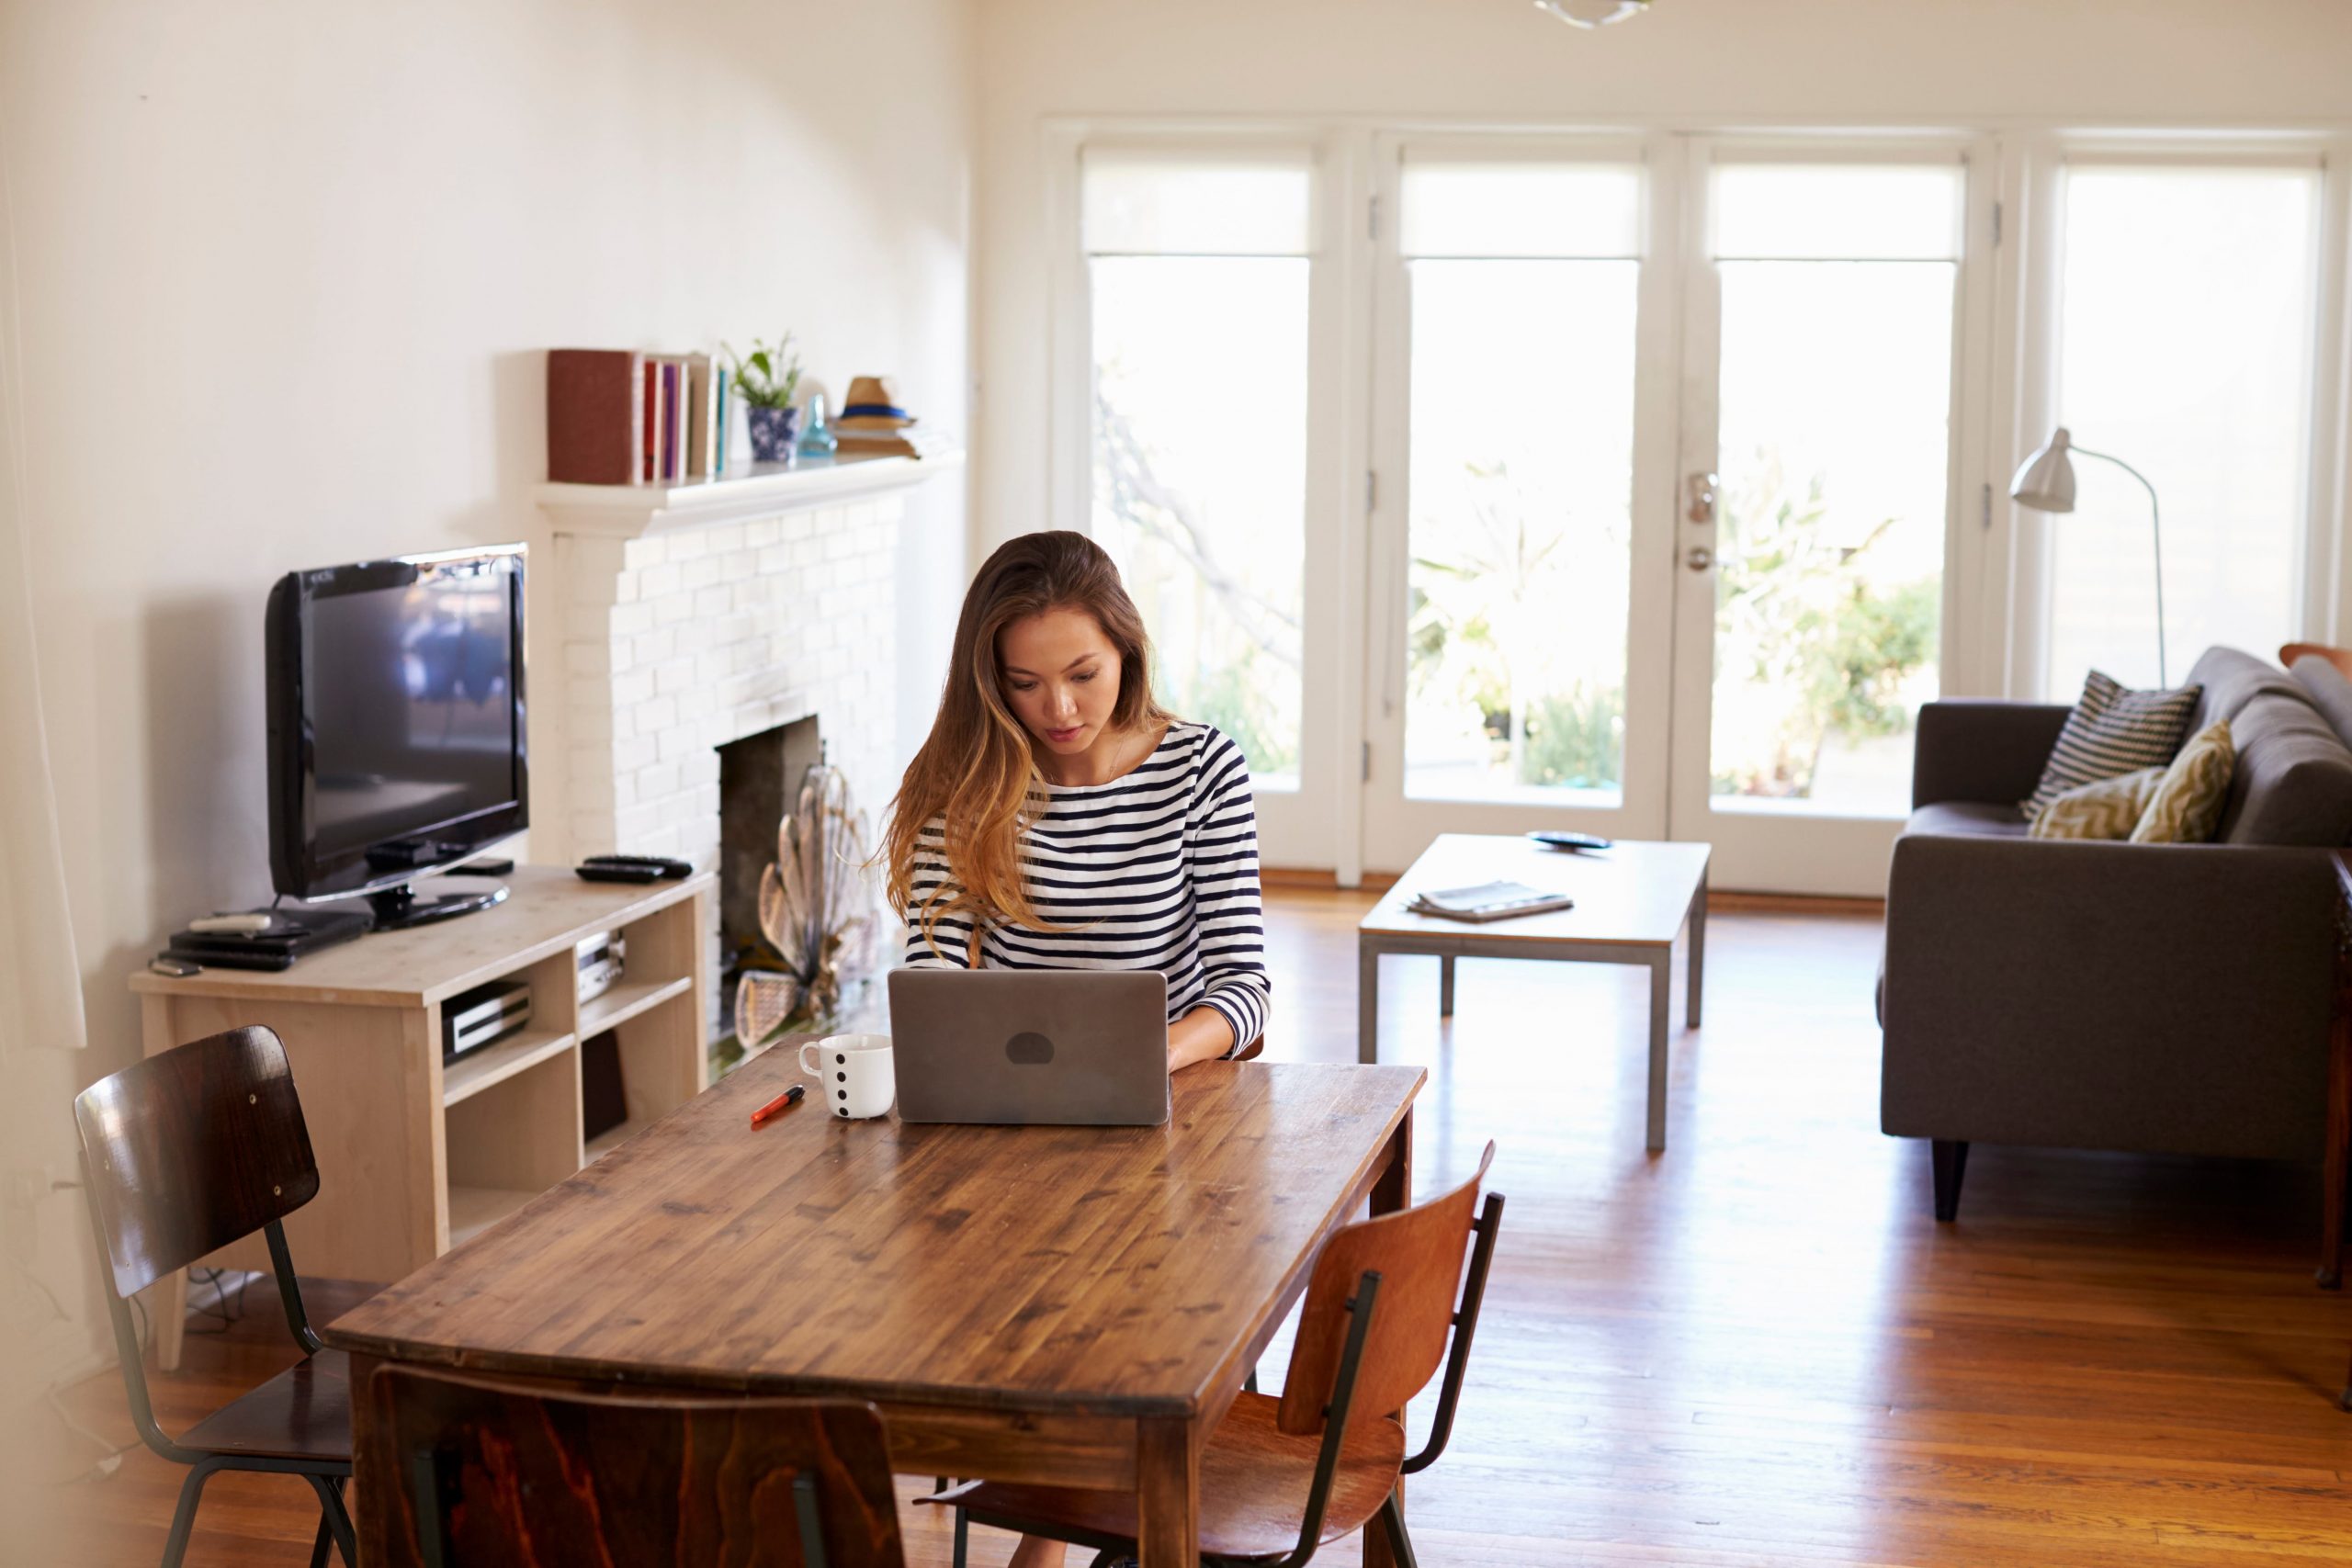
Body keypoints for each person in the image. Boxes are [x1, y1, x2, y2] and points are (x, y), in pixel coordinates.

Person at [883, 527, 1271, 1077]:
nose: (1060, 709)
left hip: (1166, 1090)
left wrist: (1156, 1053)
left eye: (1083, 675)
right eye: (1025, 683)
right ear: (992, 682)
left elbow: (1245, 989)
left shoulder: (1202, 768)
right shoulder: (967, 782)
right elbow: (932, 978)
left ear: (1125, 650)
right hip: (1011, 1083)